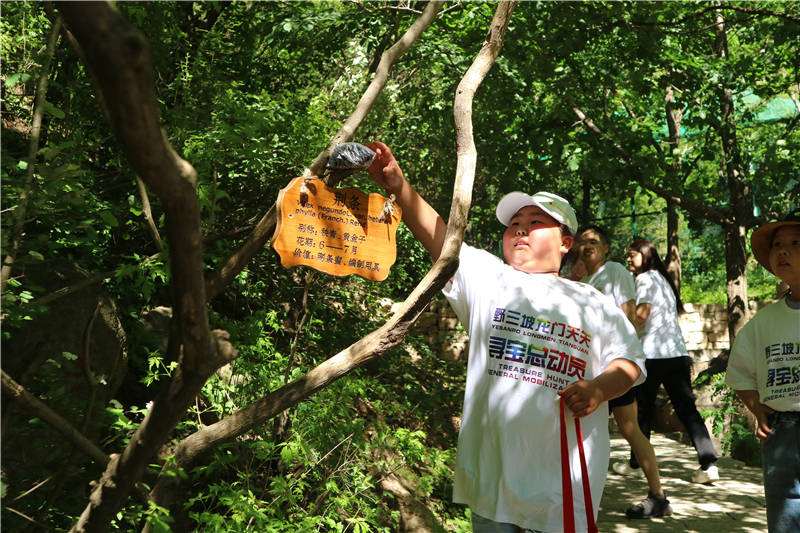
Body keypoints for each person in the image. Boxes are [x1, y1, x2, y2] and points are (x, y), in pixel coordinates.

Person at [366, 141, 646, 533]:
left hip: (563, 489)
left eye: (535, 223)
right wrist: (398, 185)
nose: (520, 230)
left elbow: (629, 363)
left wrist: (598, 388)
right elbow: (440, 236)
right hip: (494, 485)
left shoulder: (592, 302)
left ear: (566, 242)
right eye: (515, 224)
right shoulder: (490, 280)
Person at [575, 226, 670, 518]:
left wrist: (620, 362)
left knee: (631, 430)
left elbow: (628, 314)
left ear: (606, 248)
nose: (587, 246)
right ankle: (576, 494)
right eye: (583, 242)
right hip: (584, 371)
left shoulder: (614, 271)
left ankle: (658, 496)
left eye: (594, 242)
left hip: (610, 369)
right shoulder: (579, 280)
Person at [725, 208, 800, 533]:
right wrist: (757, 408)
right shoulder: (764, 323)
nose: (783, 250)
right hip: (782, 431)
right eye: (777, 245)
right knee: (786, 511)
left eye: (796, 243)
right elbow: (741, 370)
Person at [626, 239, 720, 484]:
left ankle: (637, 464)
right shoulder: (663, 280)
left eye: (632, 255)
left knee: (641, 410)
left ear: (646, 256)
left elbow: (642, 315)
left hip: (652, 355)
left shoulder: (645, 279)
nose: (628, 259)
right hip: (677, 354)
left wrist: (620, 319)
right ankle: (709, 464)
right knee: (687, 409)